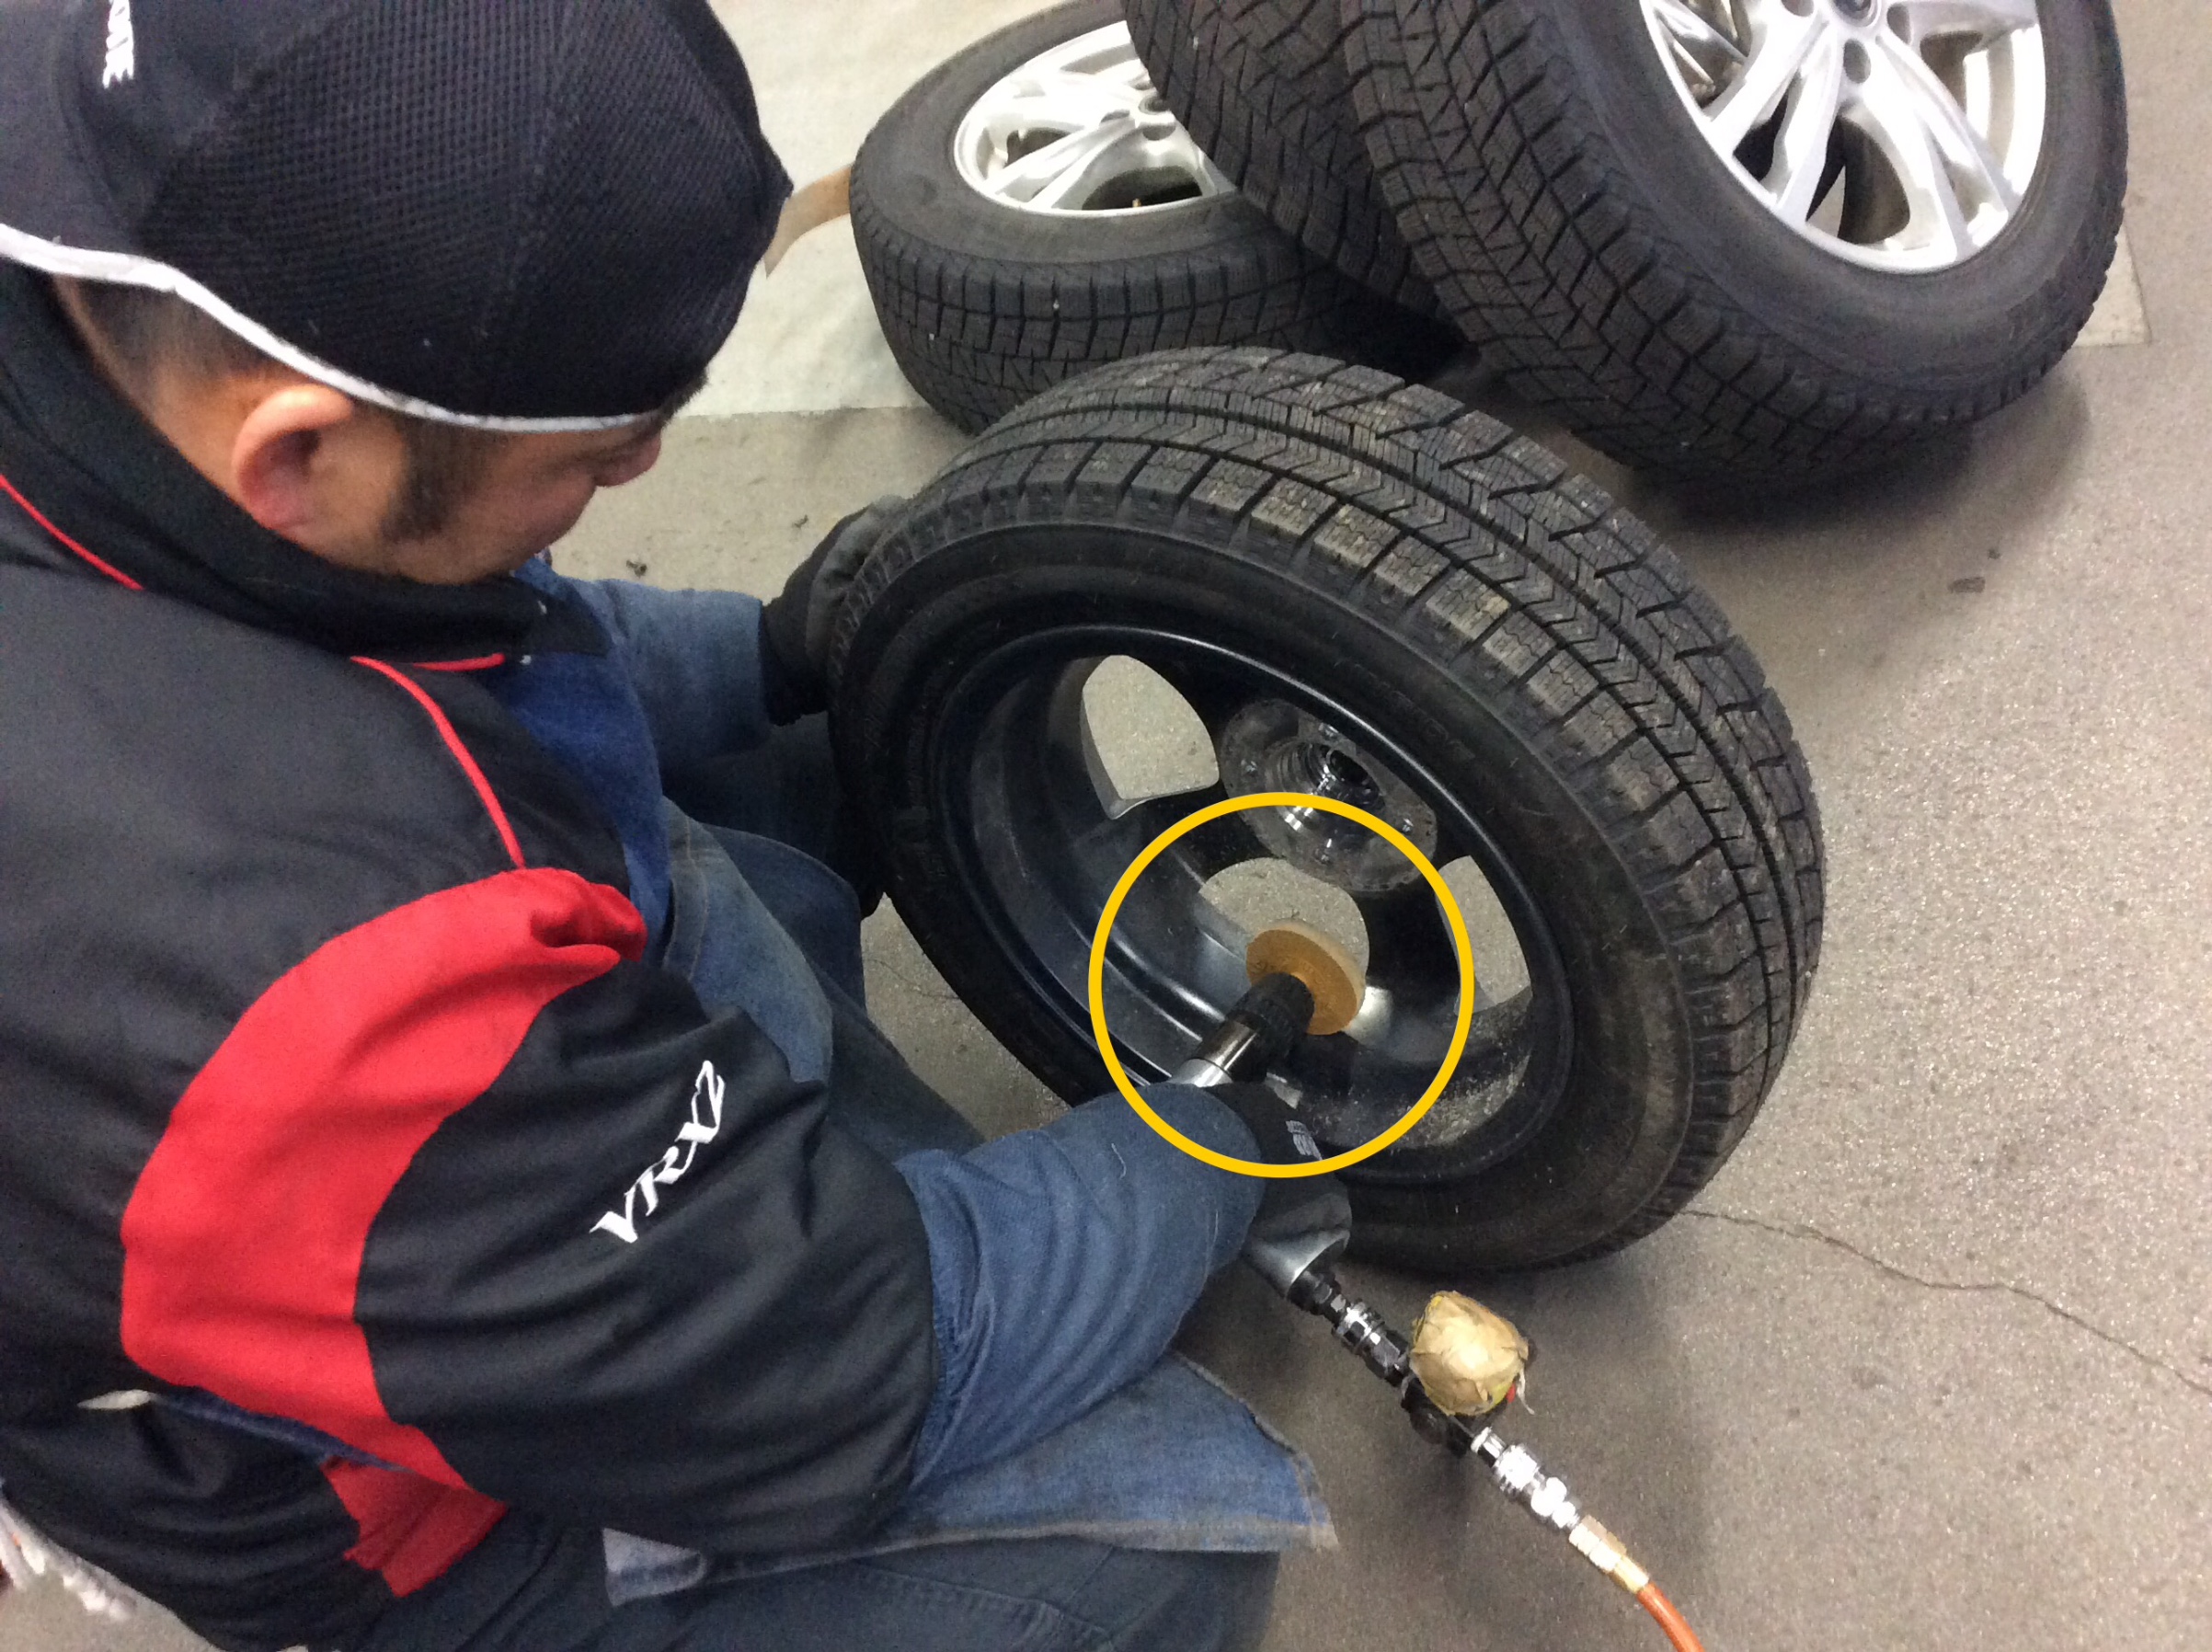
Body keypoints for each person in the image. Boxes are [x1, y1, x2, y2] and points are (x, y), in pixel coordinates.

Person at [0, 4, 1341, 1650]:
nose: (637, 473)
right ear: (299, 452)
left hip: (337, 1110)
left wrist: (769, 653)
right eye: (595, 459)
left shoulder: (117, 297)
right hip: (392, 1503)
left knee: (793, 778)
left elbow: (447, 620)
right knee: (1156, 1543)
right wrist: (1212, 1141)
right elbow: (853, 1364)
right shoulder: (297, 988)